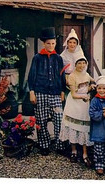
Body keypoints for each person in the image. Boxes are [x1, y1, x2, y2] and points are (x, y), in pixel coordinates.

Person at [28, 27, 66, 156]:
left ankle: (60, 144)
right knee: (41, 120)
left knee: (59, 119)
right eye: (48, 43)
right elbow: (32, 75)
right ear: (44, 43)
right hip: (40, 92)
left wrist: (62, 91)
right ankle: (44, 145)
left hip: (55, 93)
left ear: (55, 43)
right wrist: (31, 91)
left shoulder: (58, 59)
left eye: (53, 43)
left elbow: (62, 76)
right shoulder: (37, 58)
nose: (51, 45)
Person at [59, 53, 95, 167]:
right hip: (74, 104)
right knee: (73, 127)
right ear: (75, 64)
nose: (81, 65)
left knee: (84, 128)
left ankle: (85, 154)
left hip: (84, 104)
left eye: (83, 63)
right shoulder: (72, 76)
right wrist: (84, 96)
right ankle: (74, 151)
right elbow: (74, 94)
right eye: (79, 63)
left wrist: (91, 87)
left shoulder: (87, 74)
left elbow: (89, 85)